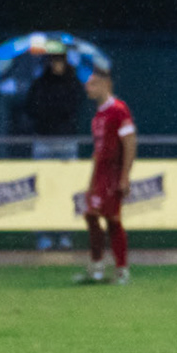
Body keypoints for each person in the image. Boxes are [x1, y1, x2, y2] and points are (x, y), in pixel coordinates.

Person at [77, 68, 136, 284]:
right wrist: (92, 181)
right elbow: (98, 152)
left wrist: (125, 176)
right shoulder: (98, 116)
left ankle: (120, 270)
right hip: (101, 175)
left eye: (93, 83)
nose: (88, 88)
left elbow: (129, 142)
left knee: (111, 219)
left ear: (106, 84)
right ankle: (98, 267)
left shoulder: (119, 110)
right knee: (92, 215)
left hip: (113, 174)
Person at [23, 53, 83, 249]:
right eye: (53, 61)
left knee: (67, 189)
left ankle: (65, 235)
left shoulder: (73, 83)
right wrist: (49, 114)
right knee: (42, 189)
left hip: (66, 140)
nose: (57, 65)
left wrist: (54, 111)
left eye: (60, 60)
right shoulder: (40, 83)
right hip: (44, 140)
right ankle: (44, 236)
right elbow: (31, 108)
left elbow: (74, 107)